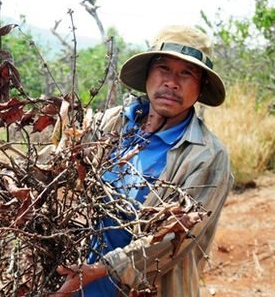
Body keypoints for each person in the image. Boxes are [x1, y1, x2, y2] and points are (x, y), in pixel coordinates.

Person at [52, 25, 234, 296]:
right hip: (77, 285)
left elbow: (173, 239)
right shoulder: (111, 124)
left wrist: (100, 269)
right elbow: (58, 167)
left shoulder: (207, 156)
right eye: (164, 68)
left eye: (186, 73)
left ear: (201, 87)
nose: (172, 82)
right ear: (148, 73)